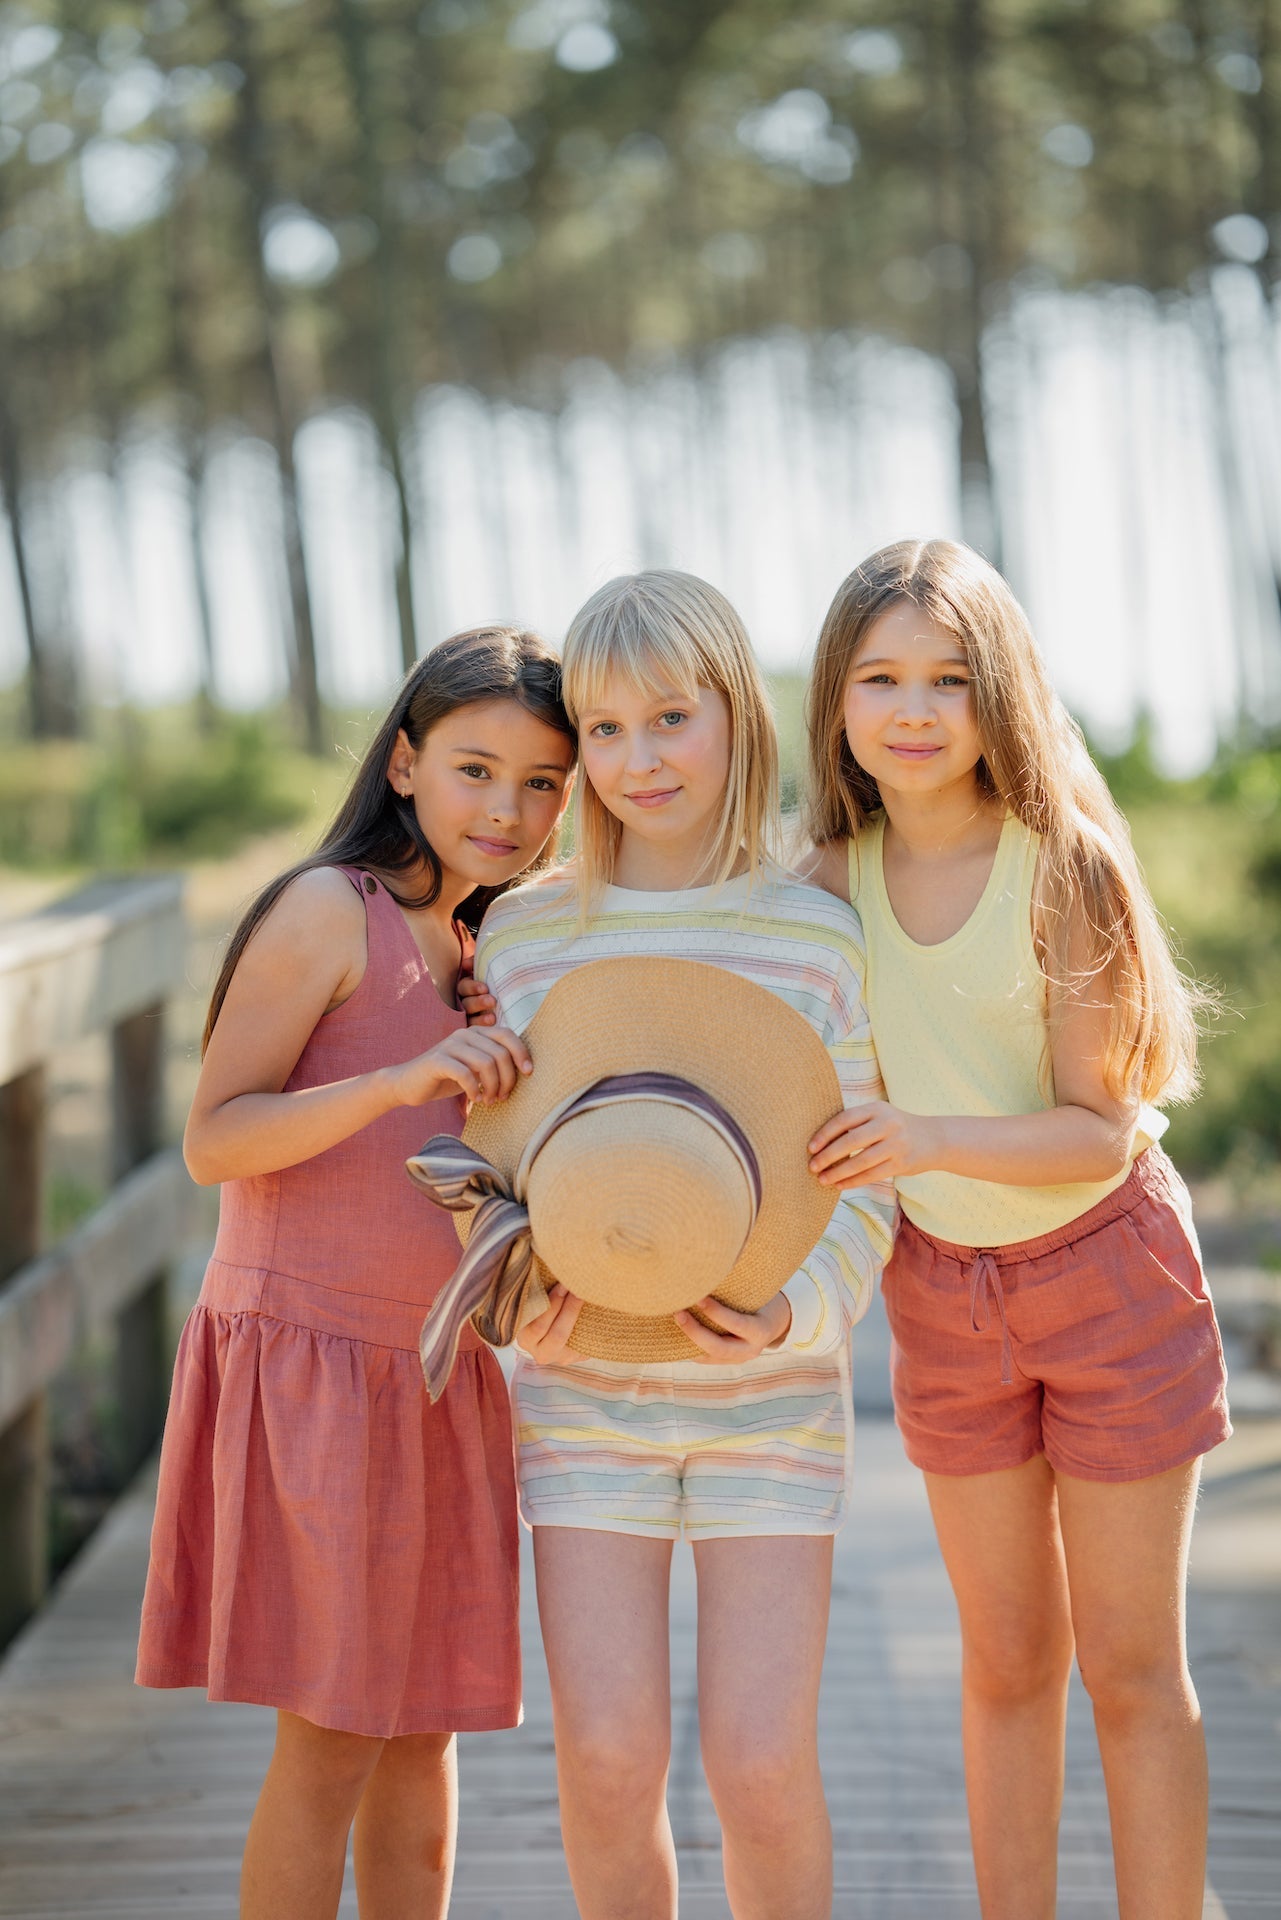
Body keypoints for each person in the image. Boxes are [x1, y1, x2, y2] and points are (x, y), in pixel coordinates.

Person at [801, 538, 1231, 1920]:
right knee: (1001, 1661)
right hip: (942, 1294)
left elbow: (1096, 1130)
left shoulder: (1065, 870)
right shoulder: (817, 885)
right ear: (836, 701)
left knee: (1126, 1666)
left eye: (948, 678)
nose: (913, 709)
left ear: (1001, 697)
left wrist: (924, 1139)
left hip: (1109, 1273)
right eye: (879, 678)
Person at [461, 570, 895, 1920]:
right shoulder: (526, 938)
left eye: (670, 720)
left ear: (735, 719)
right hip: (584, 1392)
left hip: (769, 1405)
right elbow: (486, 1169)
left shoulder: (815, 938)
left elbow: (861, 1181)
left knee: (757, 1762)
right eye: (602, 730)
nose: (637, 760)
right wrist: (509, 1301)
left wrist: (800, 1316)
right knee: (602, 1760)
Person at [134, 627, 577, 1920]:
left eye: (543, 782)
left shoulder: (489, 951)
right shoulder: (330, 913)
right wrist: (400, 1077)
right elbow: (213, 1139)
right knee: (327, 1744)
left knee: (424, 1741)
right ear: (403, 762)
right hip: (312, 1373)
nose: (506, 809)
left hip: (437, 1379)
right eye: (476, 769)